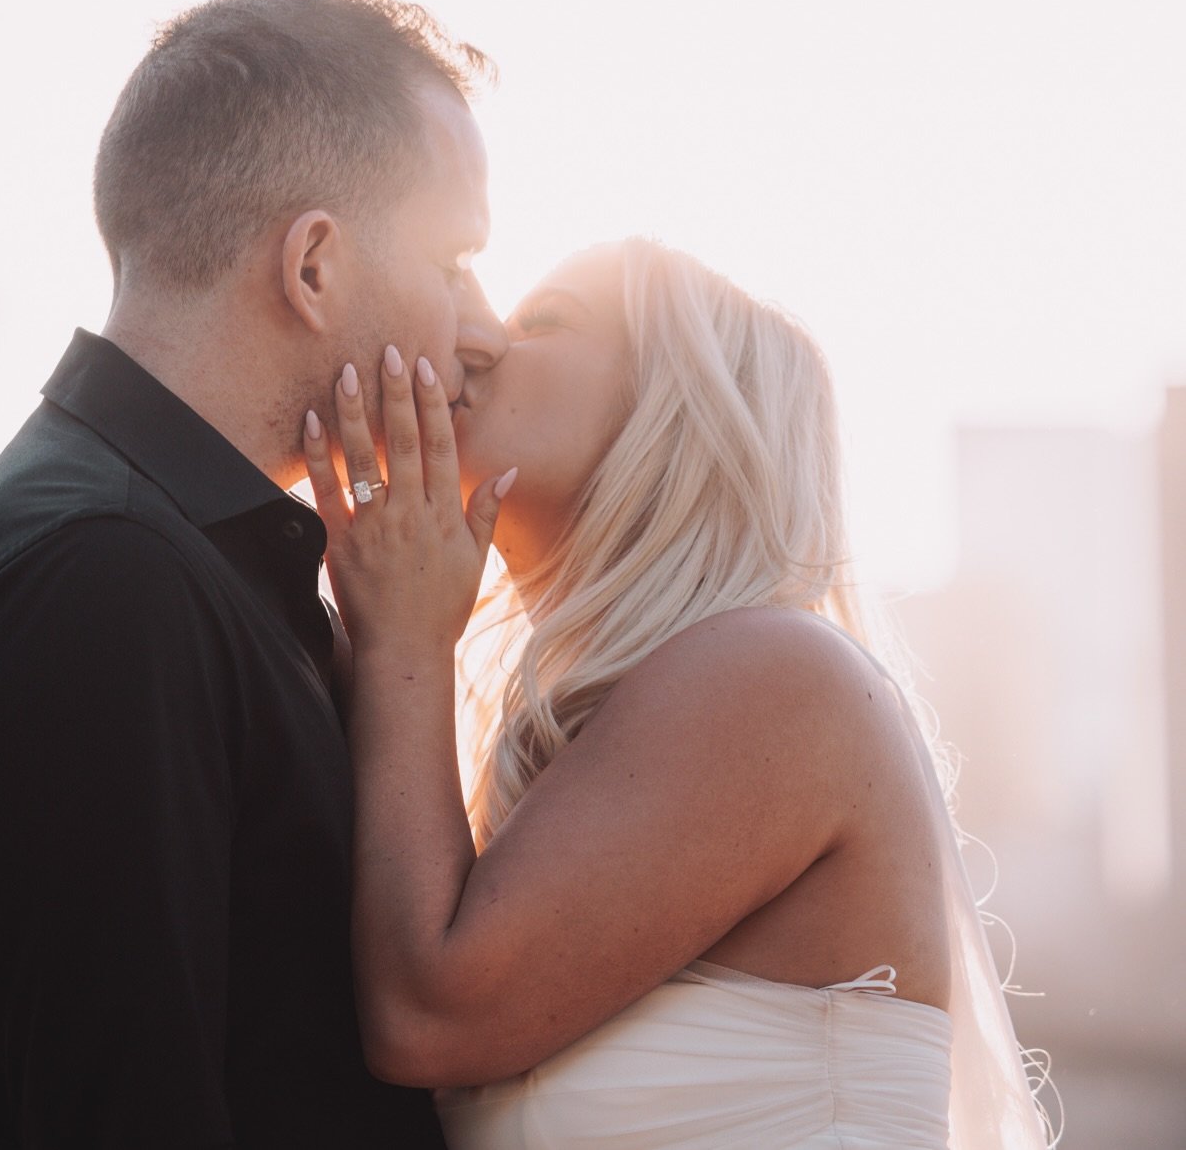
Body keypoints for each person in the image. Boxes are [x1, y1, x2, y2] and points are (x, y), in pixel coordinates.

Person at [0, 0, 510, 1148]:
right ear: (313, 266)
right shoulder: (98, 576)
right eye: (456, 260)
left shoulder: (186, 566)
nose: (484, 327)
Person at [305, 238, 1056, 1149]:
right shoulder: (609, 737)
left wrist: (405, 646)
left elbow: (429, 1013)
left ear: (681, 407)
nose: (486, 342)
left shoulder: (777, 676)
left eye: (545, 320)